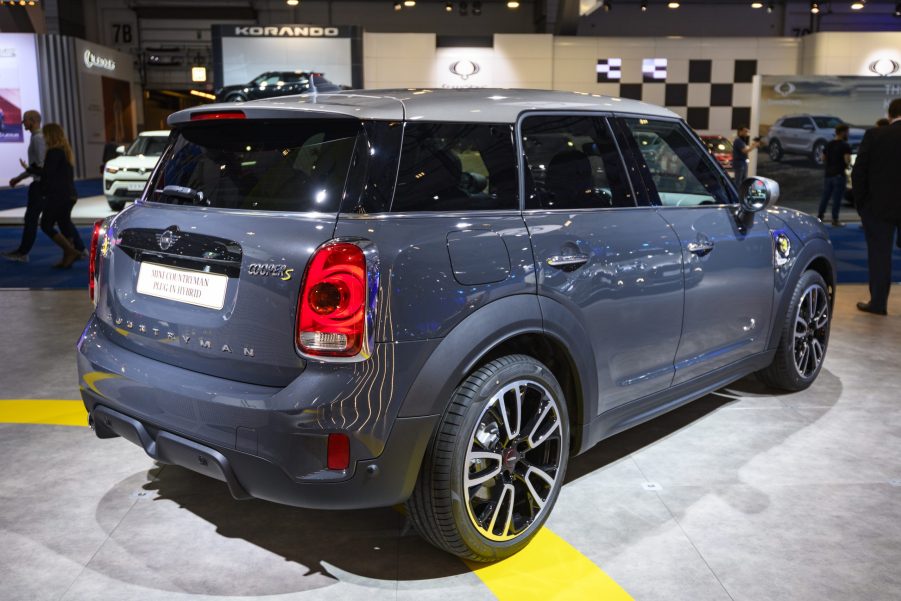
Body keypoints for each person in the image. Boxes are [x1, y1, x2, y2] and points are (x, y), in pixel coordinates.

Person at [851, 98, 901, 316]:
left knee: (880, 255)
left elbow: (858, 171)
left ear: (890, 115)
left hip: (878, 208)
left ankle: (878, 304)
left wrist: (862, 203)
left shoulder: (875, 135)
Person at [24, 123, 83, 269]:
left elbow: (47, 174)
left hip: (59, 196)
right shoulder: (64, 151)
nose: (43, 138)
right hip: (69, 195)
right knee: (64, 224)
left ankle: (70, 251)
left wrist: (30, 170)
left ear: (50, 135)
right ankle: (68, 257)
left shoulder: (54, 152)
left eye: (45, 135)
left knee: (46, 224)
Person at [2, 110, 45, 263]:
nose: (23, 124)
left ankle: (23, 252)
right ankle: (78, 249)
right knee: (51, 220)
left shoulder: (38, 139)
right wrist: (19, 177)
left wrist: (20, 176)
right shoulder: (36, 138)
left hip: (40, 186)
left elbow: (39, 166)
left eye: (25, 121)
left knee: (32, 219)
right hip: (40, 185)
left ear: (32, 120)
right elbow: (36, 166)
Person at [817, 123, 851, 227]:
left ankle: (819, 218)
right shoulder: (845, 145)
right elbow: (847, 160)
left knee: (825, 197)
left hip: (828, 175)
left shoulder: (829, 144)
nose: (848, 134)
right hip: (839, 175)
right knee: (837, 199)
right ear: (843, 132)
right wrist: (848, 164)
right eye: (847, 132)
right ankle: (835, 220)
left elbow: (823, 158)